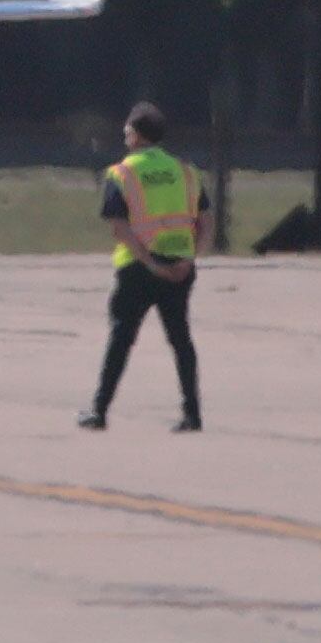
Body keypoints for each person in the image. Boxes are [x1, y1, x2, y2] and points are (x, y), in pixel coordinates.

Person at [80, 102, 203, 432]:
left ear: (136, 135)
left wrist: (149, 263)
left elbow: (119, 226)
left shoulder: (122, 173)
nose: (124, 136)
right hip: (180, 266)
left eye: (127, 130)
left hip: (138, 268)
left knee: (121, 339)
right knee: (181, 340)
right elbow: (203, 218)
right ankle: (192, 414)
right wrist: (190, 259)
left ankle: (100, 410)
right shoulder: (186, 171)